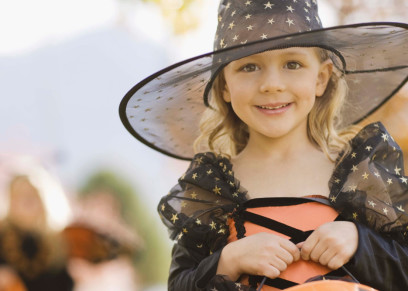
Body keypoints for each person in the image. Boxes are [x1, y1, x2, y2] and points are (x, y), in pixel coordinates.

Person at [119, 0, 408, 290]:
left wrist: (360, 240)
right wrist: (228, 260)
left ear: (321, 78)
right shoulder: (211, 190)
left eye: (292, 64)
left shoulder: (361, 175)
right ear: (224, 87)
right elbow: (180, 284)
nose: (271, 84)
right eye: (249, 66)